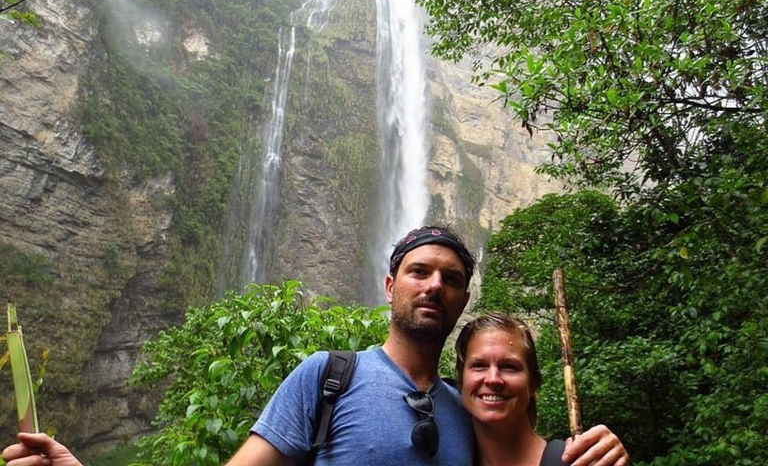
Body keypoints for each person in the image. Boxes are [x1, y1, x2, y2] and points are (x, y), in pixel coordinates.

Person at [3, 226, 625, 466]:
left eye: (452, 278)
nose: (434, 284)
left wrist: (599, 450)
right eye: (419, 271)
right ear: (389, 285)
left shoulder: (473, 413)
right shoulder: (328, 377)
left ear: (463, 301)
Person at [455, 312, 629, 466]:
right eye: (479, 366)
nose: (493, 379)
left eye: (509, 367)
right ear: (460, 382)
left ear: (533, 384)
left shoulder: (579, 460)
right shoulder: (446, 459)